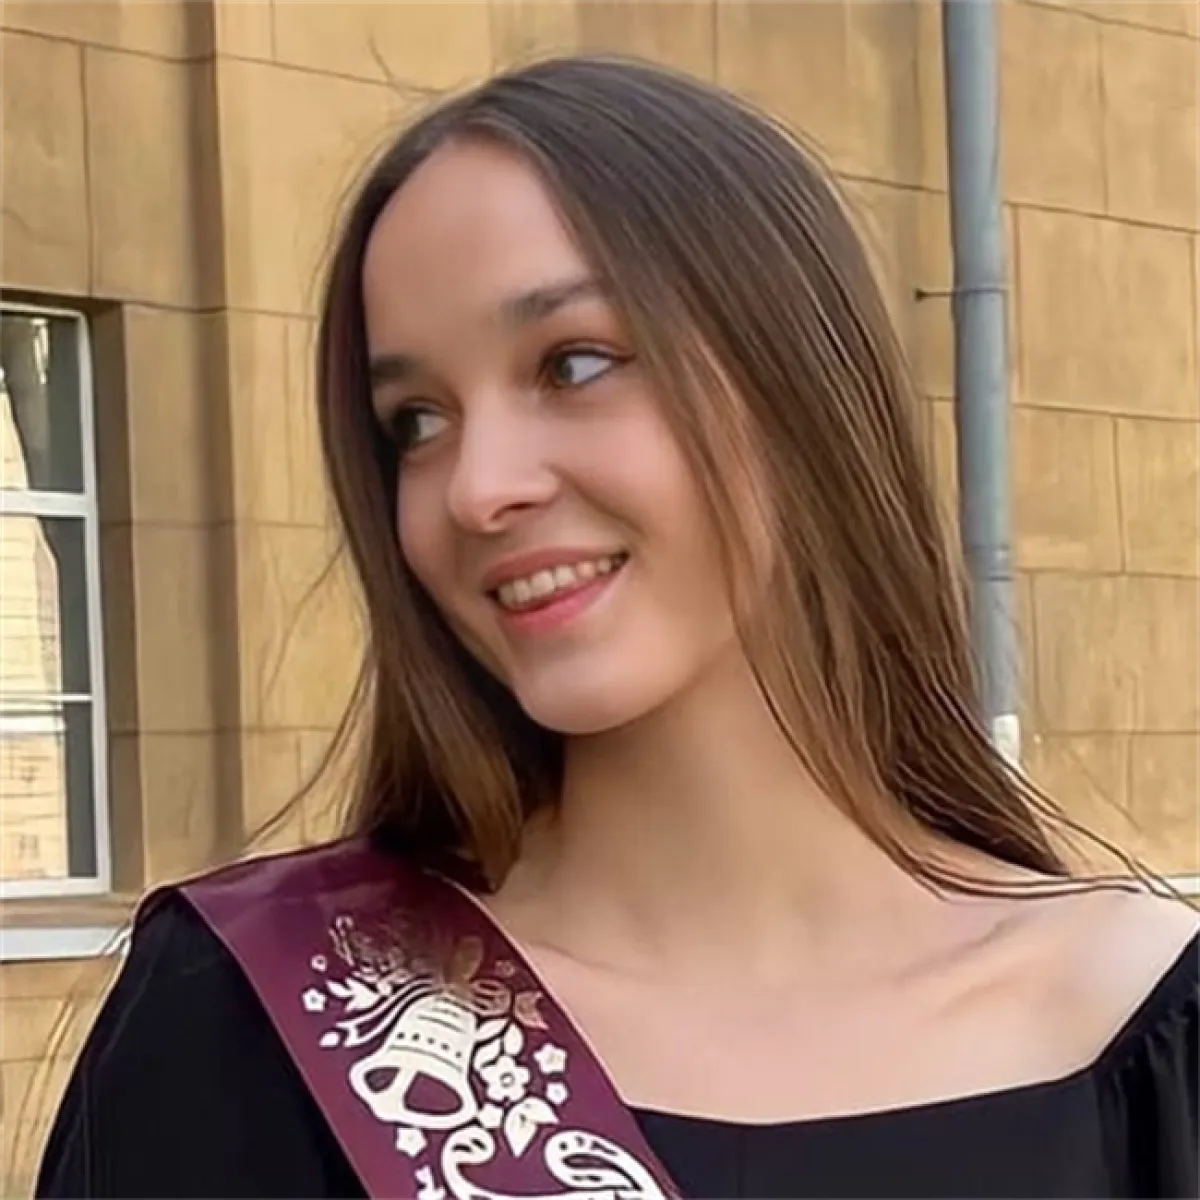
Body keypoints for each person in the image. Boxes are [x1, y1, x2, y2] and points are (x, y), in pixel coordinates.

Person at [36, 54, 1199, 1200]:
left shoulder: (1145, 1030)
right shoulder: (252, 1023)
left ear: (799, 379)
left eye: (575, 362)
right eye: (417, 422)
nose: (477, 488)